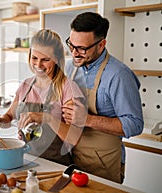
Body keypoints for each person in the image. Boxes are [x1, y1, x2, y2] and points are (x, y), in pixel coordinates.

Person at [62, 12, 144, 183]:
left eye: (82, 49)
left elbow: (134, 124)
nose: (74, 53)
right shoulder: (70, 68)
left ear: (101, 45)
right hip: (71, 157)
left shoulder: (119, 75)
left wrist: (87, 119)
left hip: (103, 162)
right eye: (71, 45)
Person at [0, 29, 85, 165]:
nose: (38, 65)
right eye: (34, 58)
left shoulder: (67, 88)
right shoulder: (26, 85)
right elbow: (9, 117)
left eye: (45, 60)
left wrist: (47, 118)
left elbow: (74, 137)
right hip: (24, 161)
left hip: (55, 166)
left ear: (57, 59)